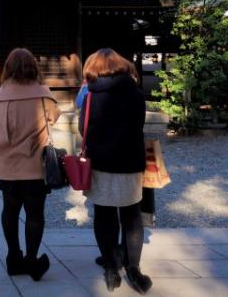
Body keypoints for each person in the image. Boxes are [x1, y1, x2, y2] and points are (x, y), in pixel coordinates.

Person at [81, 48, 151, 294]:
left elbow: (83, 129)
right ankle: (134, 269)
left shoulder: (90, 96)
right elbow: (139, 125)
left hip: (101, 163)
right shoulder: (136, 94)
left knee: (104, 214)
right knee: (132, 216)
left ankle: (111, 267)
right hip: (130, 162)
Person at [0, 48, 59, 281]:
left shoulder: (1, 95)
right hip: (34, 164)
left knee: (9, 211)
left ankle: (13, 258)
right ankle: (31, 260)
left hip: (8, 164)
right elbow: (55, 116)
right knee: (34, 214)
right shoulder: (42, 94)